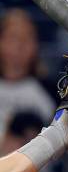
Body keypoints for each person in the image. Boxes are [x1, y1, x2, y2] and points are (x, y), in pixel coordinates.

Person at [0, 9, 55, 137]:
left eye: (27, 38)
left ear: (36, 45)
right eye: (13, 37)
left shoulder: (53, 92)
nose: (20, 44)